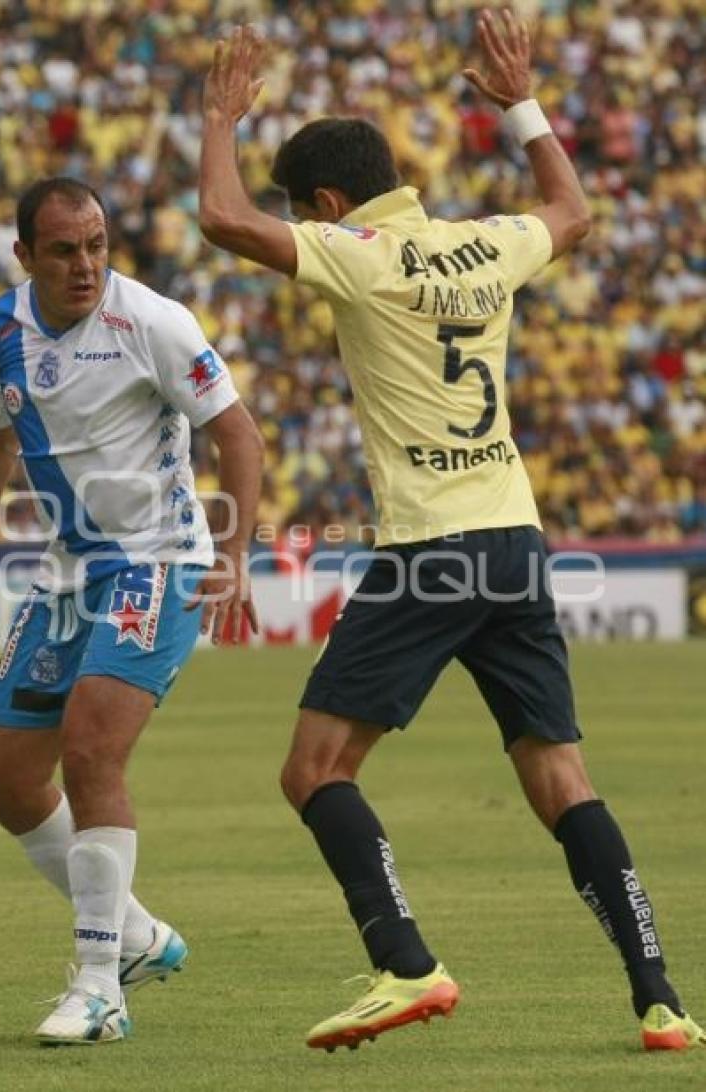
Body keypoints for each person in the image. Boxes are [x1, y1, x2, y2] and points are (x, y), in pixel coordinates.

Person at [198, 16, 704, 1053]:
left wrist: (218, 118)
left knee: (314, 771)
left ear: (330, 206)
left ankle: (405, 965)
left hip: (429, 548)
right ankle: (660, 999)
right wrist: (518, 101)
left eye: (309, 212)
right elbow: (573, 207)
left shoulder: (358, 254)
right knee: (561, 777)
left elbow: (220, 216)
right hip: (514, 539)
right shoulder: (488, 241)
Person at [0, 177, 263, 1045]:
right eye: (65, 249)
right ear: (24, 256)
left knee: (89, 751)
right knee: (3, 780)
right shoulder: (2, 328)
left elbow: (238, 433)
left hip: (160, 563)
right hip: (69, 573)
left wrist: (233, 556)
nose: (86, 265)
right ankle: (141, 934)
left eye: (98, 244)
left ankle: (100, 984)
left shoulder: (154, 321)